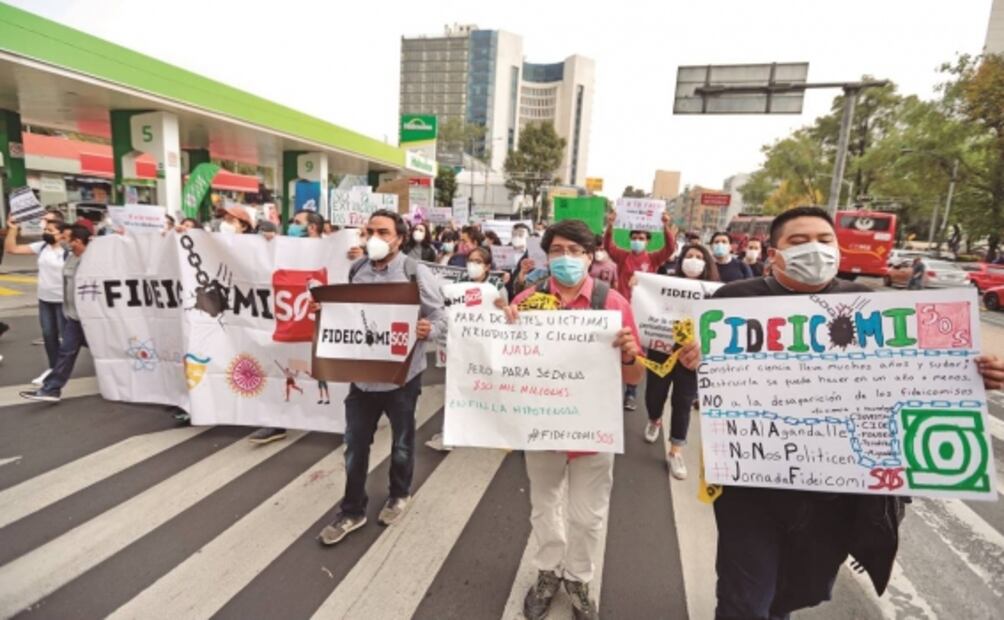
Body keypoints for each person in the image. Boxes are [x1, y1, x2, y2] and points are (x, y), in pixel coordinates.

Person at [706, 206, 900, 620]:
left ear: (838, 248)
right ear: (774, 252)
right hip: (751, 488)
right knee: (744, 601)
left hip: (834, 496)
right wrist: (697, 362)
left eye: (824, 240)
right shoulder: (733, 301)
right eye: (798, 241)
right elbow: (711, 389)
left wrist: (970, 374)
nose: (814, 249)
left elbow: (907, 380)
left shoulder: (869, 305)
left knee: (801, 593)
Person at [503, 219, 696, 620]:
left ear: (592, 257)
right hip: (542, 428)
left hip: (592, 432)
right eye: (558, 250)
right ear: (546, 255)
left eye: (576, 251)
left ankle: (577, 577)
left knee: (588, 515)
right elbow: (504, 367)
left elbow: (633, 378)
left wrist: (628, 353)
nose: (566, 258)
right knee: (544, 505)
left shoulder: (613, 305)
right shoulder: (524, 301)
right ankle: (547, 572)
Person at [318, 209, 445, 545]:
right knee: (355, 445)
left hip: (402, 377)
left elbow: (441, 316)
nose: (375, 237)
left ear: (399, 238)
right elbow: (348, 313)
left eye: (384, 232)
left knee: (402, 443)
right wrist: (327, 312)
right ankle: (352, 510)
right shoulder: (357, 269)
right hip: (361, 378)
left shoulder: (415, 272)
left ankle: (399, 494)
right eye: (370, 230)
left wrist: (429, 328)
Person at [643, 243, 719, 480]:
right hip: (661, 351)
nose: (694, 260)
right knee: (654, 394)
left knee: (683, 402)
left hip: (691, 358)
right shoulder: (663, 284)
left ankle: (676, 450)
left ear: (706, 263)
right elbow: (648, 307)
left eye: (699, 257)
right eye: (689, 256)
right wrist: (639, 289)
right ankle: (654, 419)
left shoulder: (716, 292)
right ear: (681, 260)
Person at [603, 210, 677, 411]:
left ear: (647, 241)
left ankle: (631, 392)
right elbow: (608, 246)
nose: (637, 240)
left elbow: (670, 248)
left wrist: (665, 226)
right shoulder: (622, 256)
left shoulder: (653, 259)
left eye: (641, 238)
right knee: (618, 347)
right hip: (622, 310)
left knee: (637, 351)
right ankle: (610, 387)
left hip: (644, 312)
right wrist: (610, 225)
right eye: (634, 237)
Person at [20, 224, 92, 402]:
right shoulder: (71, 258)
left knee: (105, 348)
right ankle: (51, 389)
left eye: (69, 239)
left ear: (79, 241)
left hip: (91, 318)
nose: (66, 242)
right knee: (66, 351)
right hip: (73, 316)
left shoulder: (93, 260)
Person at [4, 210, 68, 385]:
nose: (44, 226)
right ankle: (53, 369)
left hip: (64, 301)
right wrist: (12, 229)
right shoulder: (41, 246)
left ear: (61, 229)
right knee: (49, 335)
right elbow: (12, 249)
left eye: (48, 223)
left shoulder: (69, 250)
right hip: (45, 300)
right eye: (44, 224)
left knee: (71, 338)